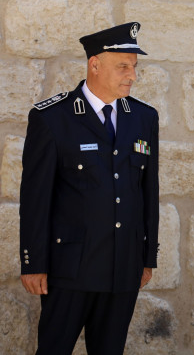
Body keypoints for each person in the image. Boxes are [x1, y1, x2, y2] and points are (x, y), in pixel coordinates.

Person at [19, 22, 159, 354]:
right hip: (70, 269)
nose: (132, 76)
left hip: (123, 268)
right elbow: (35, 198)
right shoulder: (53, 118)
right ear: (94, 65)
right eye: (123, 66)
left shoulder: (143, 117)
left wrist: (146, 256)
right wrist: (33, 262)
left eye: (134, 67)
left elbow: (148, 192)